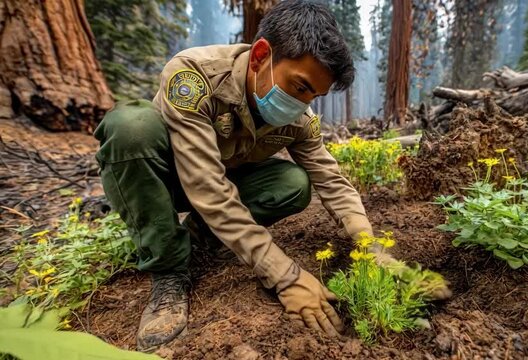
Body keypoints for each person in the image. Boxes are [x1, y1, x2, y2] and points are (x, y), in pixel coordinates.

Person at [94, 0, 388, 351]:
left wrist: (369, 245)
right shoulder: (195, 76)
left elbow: (331, 179)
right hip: (165, 181)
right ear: (262, 55)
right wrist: (286, 276)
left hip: (219, 187)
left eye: (314, 96)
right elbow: (208, 188)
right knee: (130, 126)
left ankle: (199, 241)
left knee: (294, 184)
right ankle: (169, 271)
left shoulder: (298, 117)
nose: (302, 103)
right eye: (299, 87)